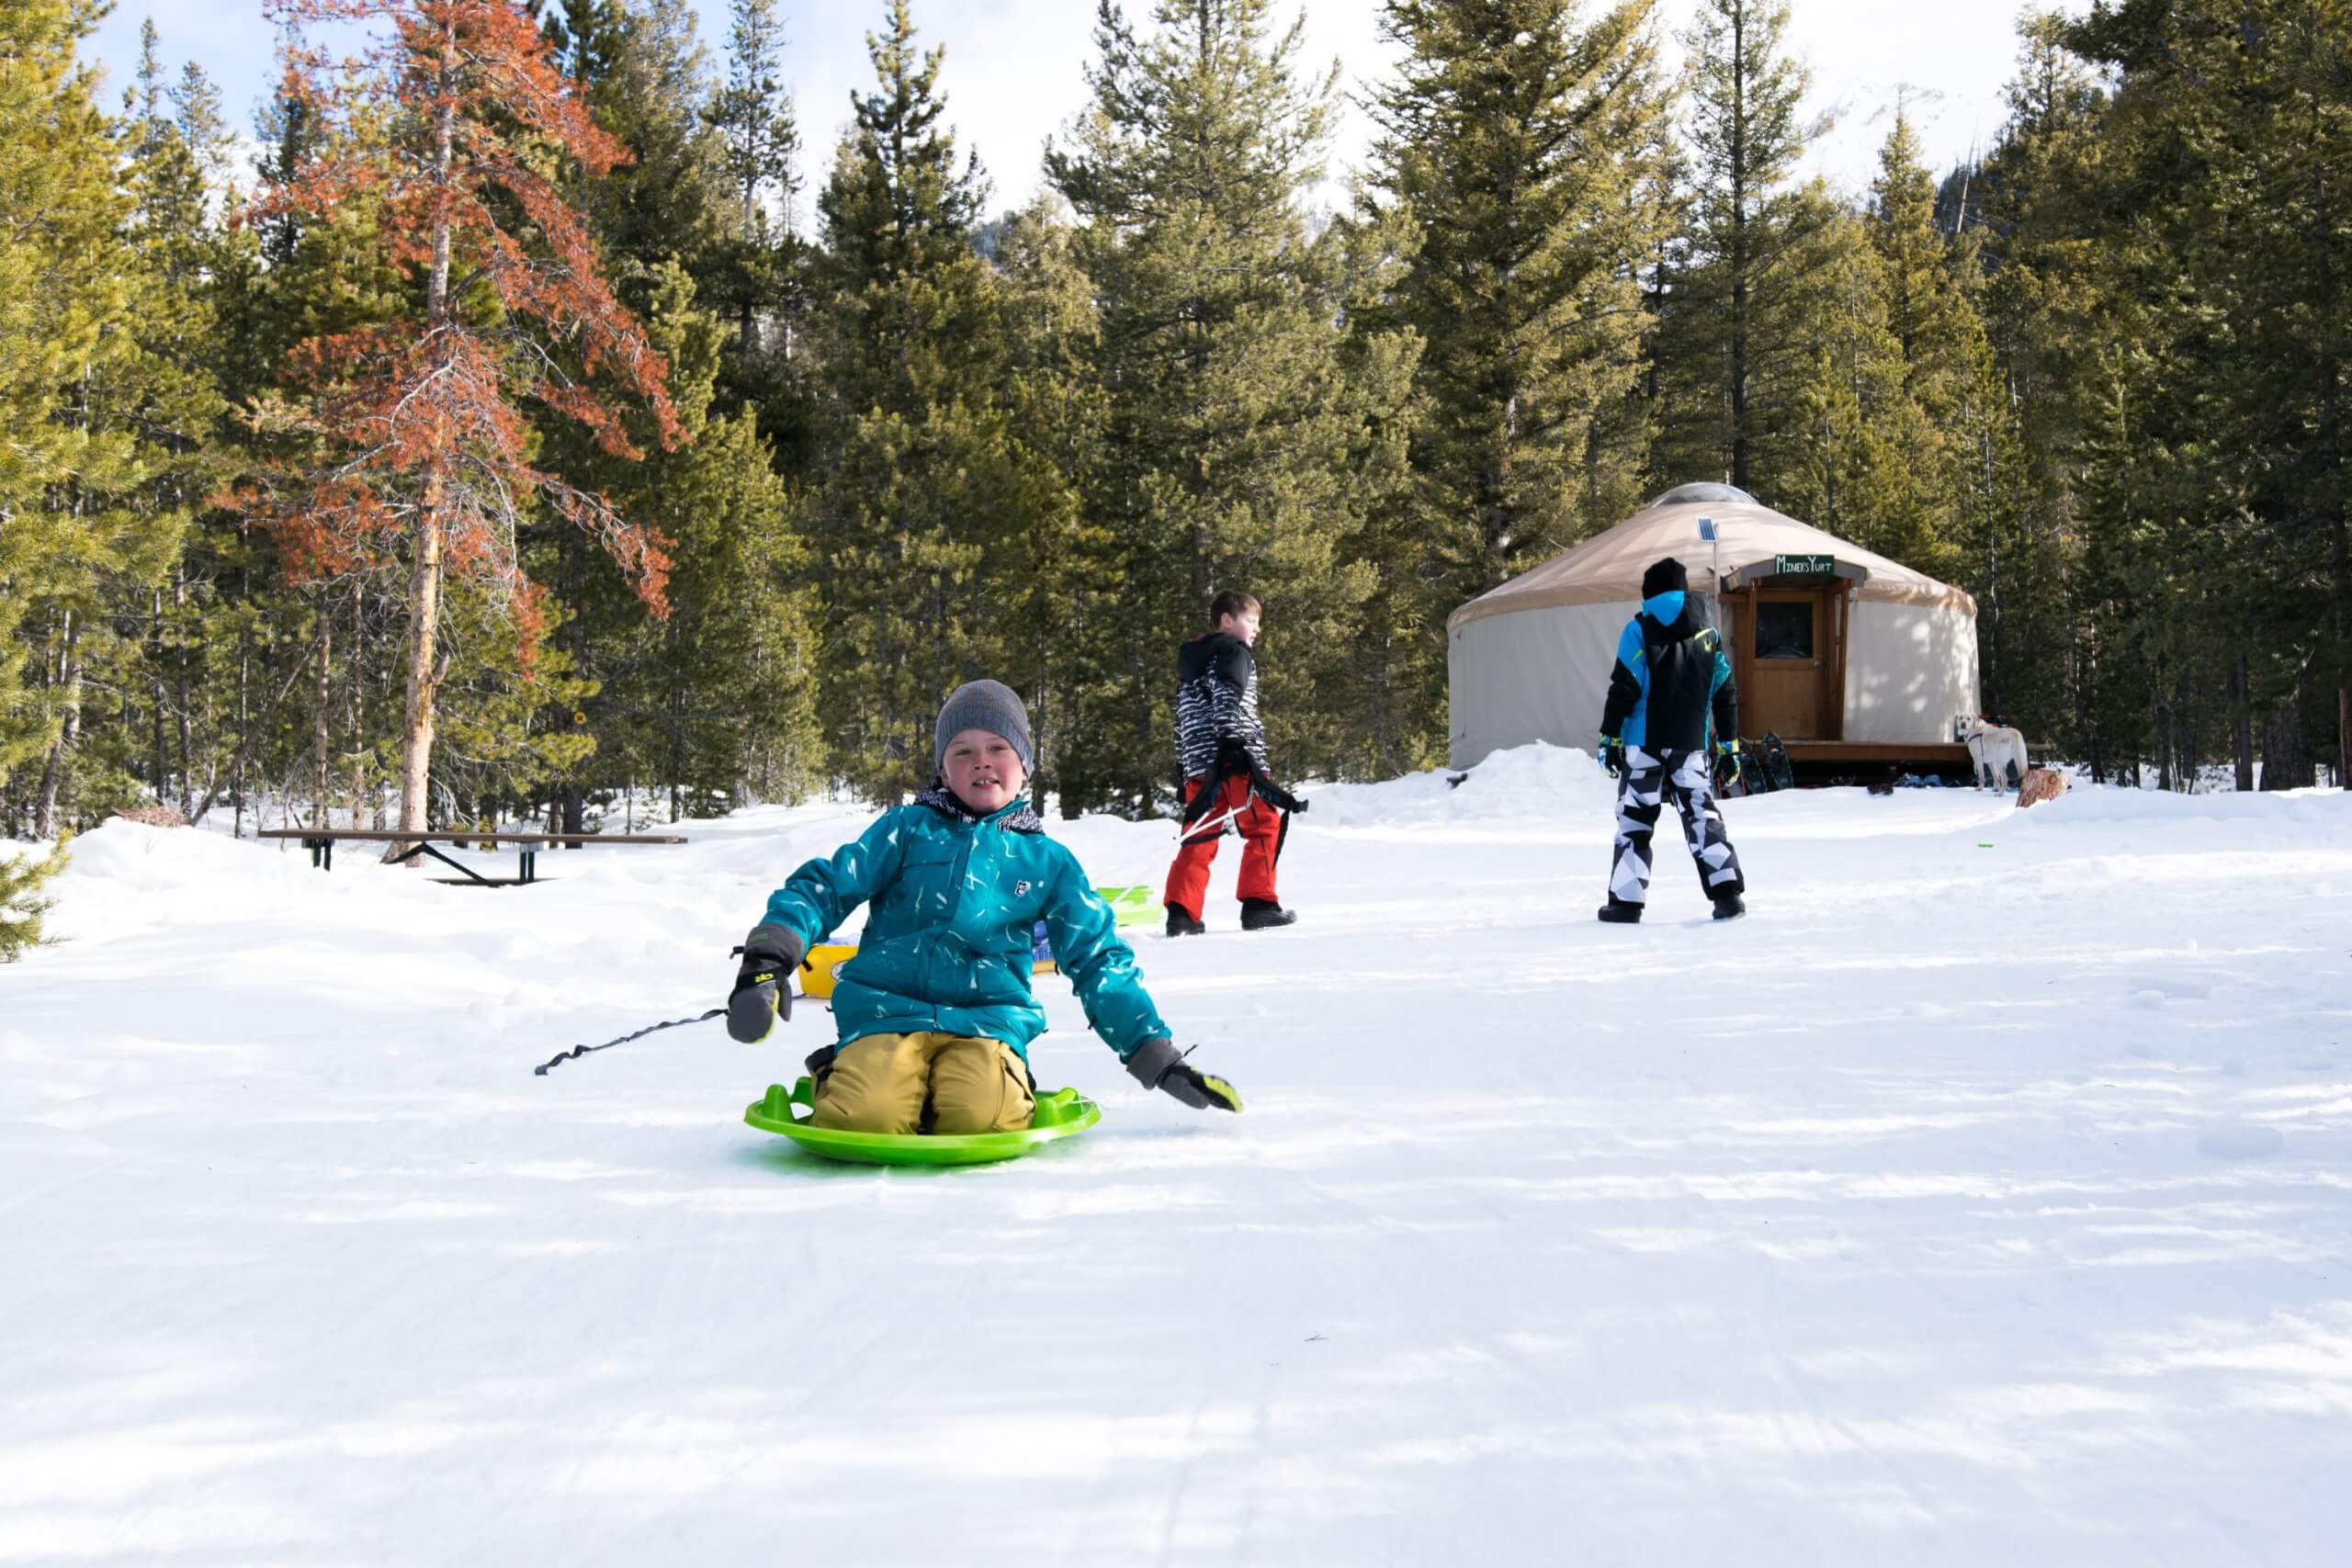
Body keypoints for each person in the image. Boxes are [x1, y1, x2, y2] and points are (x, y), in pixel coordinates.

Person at [726, 680, 1242, 1132]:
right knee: (866, 1116)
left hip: (987, 1022)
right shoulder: (905, 830)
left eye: (998, 747)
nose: (981, 762)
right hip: (885, 1011)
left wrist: (1156, 1056)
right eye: (963, 751)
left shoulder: (1046, 861)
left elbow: (1098, 957)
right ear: (943, 771)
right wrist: (768, 960)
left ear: (1025, 765)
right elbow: (827, 886)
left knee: (983, 1118)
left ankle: (987, 1084)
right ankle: (842, 1077)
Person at [1594, 558, 1747, 923]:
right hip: (1690, 744)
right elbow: (1725, 692)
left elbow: (1624, 687)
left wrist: (1609, 737)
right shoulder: (1708, 635)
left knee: (1635, 819)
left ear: (1649, 593)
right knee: (1701, 815)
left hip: (1643, 743)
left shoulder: (1638, 629)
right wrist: (1729, 747)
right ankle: (1728, 896)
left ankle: (1626, 905)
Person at [1164, 591, 1306, 936]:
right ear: (1227, 620)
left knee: (1200, 833)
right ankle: (1259, 903)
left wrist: (1186, 766)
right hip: (1236, 756)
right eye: (1251, 620)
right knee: (1263, 824)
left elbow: (1182, 717)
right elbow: (1228, 694)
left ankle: (1182, 912)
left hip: (1200, 761)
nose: (1257, 629)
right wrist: (1230, 743)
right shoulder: (1233, 651)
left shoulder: (1191, 663)